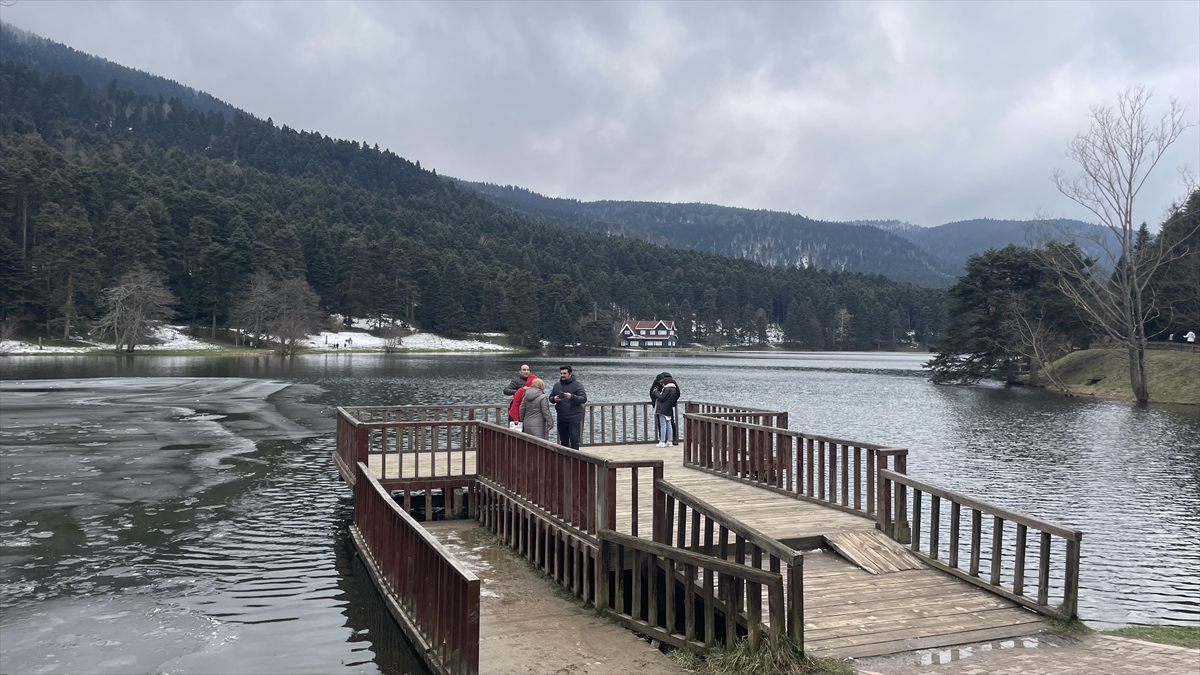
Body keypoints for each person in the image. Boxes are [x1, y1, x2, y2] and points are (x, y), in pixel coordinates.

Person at [550, 365, 587, 449]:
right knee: (563, 441)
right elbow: (551, 397)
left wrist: (572, 397)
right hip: (561, 417)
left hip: (574, 417)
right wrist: (554, 399)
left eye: (565, 373)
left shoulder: (577, 385)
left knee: (574, 440)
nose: (562, 375)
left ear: (570, 374)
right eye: (561, 373)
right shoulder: (557, 385)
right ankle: (564, 460)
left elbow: (583, 398)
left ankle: (575, 460)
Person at [654, 374, 680, 447]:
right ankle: (670, 441)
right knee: (669, 425)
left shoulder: (667, 389)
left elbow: (662, 398)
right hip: (669, 409)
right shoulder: (674, 389)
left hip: (663, 409)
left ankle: (662, 441)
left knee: (663, 425)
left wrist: (656, 392)